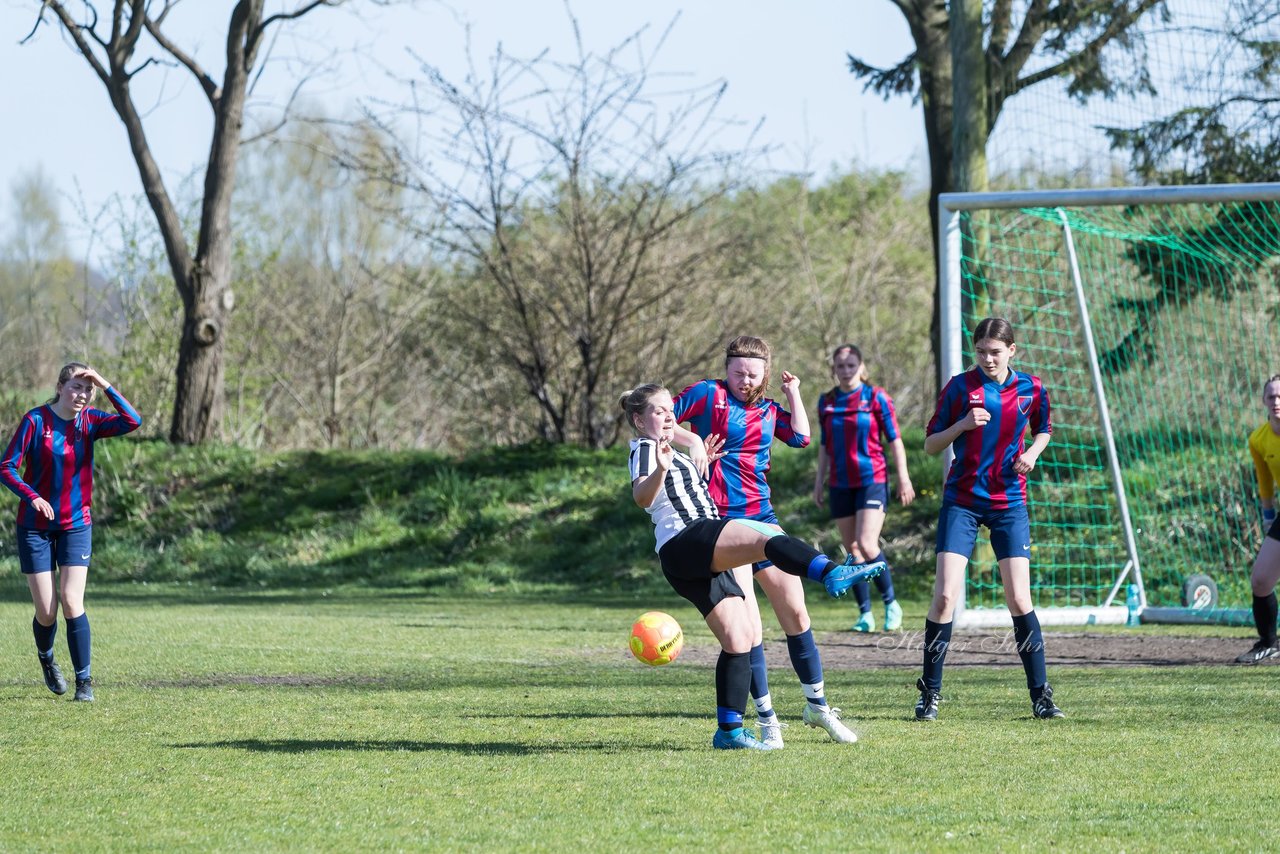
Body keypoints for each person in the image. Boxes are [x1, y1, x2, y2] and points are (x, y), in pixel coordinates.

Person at [621, 383, 882, 750]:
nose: (667, 416)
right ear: (638, 419)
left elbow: (679, 491)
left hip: (685, 560)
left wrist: (697, 461)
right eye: (657, 411)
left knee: (739, 639)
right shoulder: (648, 450)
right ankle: (829, 571)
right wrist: (663, 469)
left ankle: (728, 732)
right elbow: (642, 497)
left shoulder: (672, 453)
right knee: (765, 537)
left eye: (669, 409)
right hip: (688, 539)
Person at [915, 318, 1063, 720]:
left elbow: (1044, 429)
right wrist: (961, 424)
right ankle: (928, 693)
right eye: (980, 351)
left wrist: (1032, 453)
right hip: (962, 501)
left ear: (1012, 351)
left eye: (995, 352)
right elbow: (930, 445)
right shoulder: (961, 387)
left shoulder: (1030, 388)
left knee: (1018, 598)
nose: (987, 358)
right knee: (945, 596)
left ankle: (1041, 697)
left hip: (1008, 503)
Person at [0, 363, 142, 702]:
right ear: (61, 387)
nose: (82, 394)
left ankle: (84, 683)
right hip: (35, 527)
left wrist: (105, 383)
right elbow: (6, 468)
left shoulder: (90, 421)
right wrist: (32, 497)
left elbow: (132, 420)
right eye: (77, 386)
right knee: (47, 611)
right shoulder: (35, 421)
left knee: (71, 600)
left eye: (87, 389)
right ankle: (47, 659)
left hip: (76, 524)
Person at [812, 343, 915, 633]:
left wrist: (903, 478)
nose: (846, 371)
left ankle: (891, 603)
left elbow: (894, 440)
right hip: (840, 483)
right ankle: (864, 614)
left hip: (872, 480)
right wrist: (818, 482)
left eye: (851, 365)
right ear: (834, 369)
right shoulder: (827, 401)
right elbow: (824, 447)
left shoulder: (876, 397)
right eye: (840, 366)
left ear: (862, 367)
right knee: (852, 549)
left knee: (867, 544)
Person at [1234, 374, 1280, 664]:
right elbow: (1265, 485)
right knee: (1261, 580)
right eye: (1271, 396)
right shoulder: (1258, 439)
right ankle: (1269, 642)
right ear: (1263, 401)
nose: (1276, 402)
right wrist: (1268, 518)